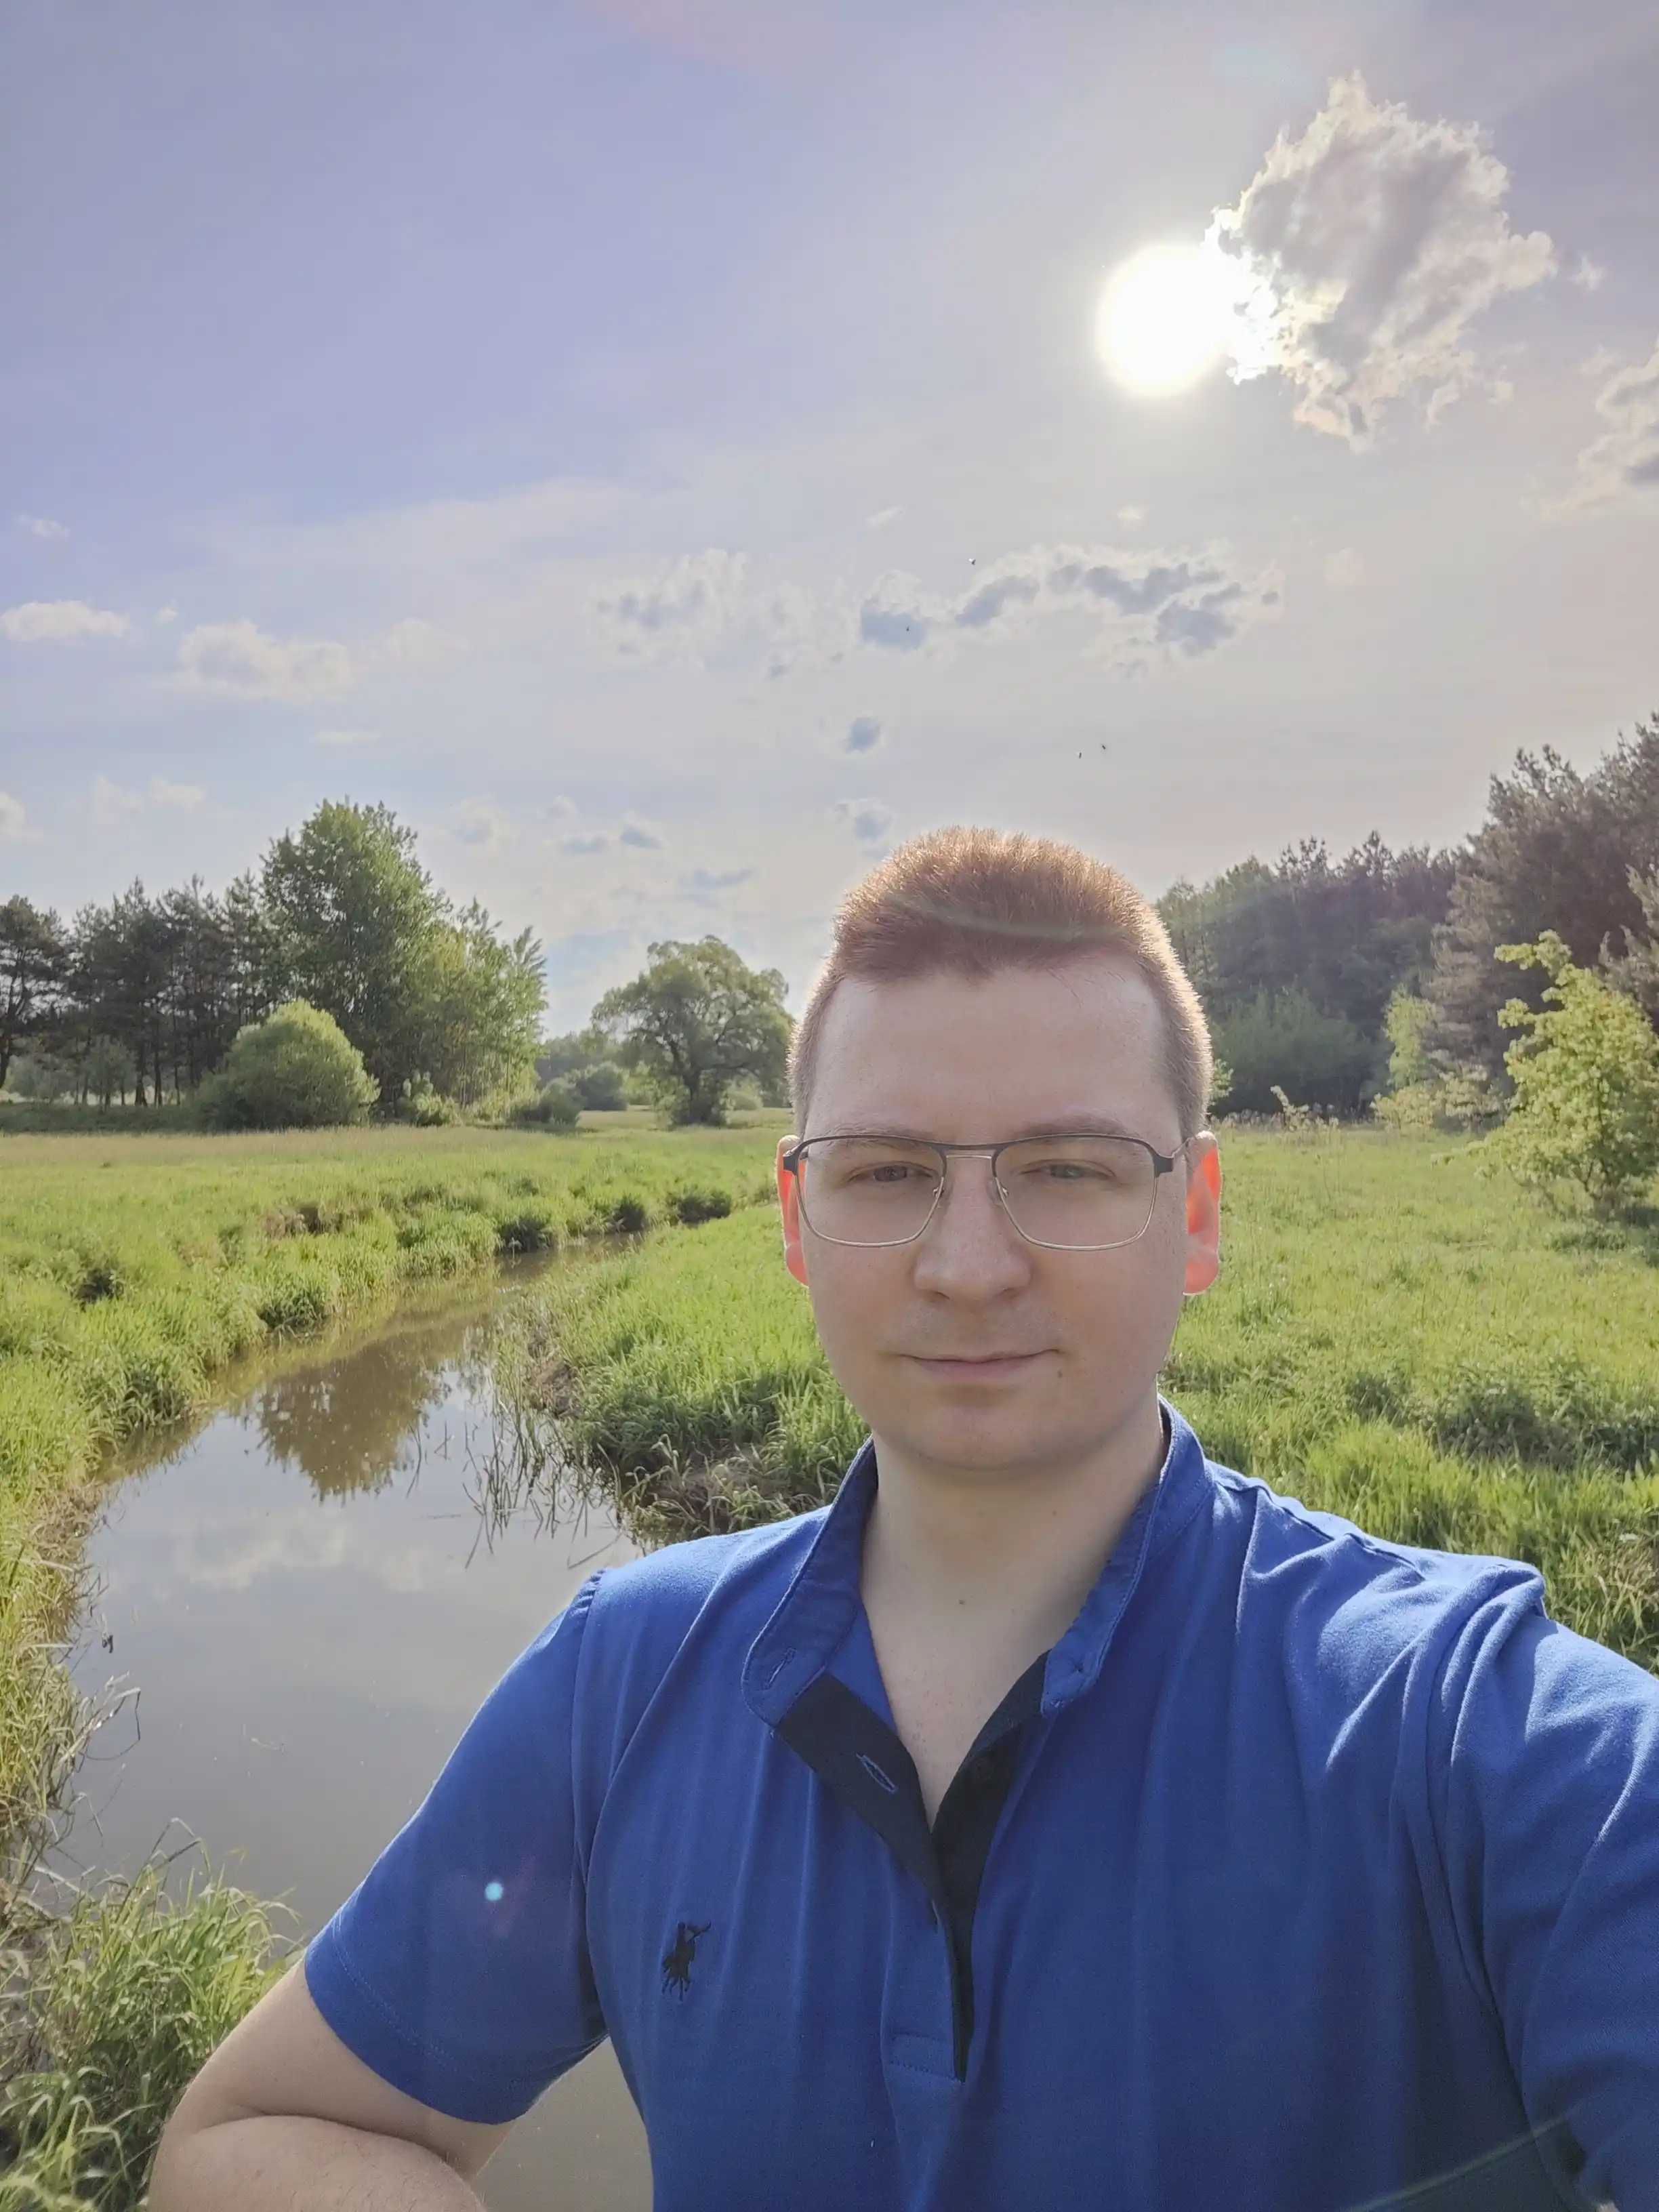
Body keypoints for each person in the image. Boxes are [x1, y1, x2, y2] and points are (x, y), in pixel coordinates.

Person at [152, 827, 1659, 2212]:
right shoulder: (622, 1680)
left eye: (1065, 1168)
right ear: (796, 1221)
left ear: (1193, 1215)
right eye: (887, 1173)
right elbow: (249, 2135)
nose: (968, 1266)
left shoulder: (1483, 1742)